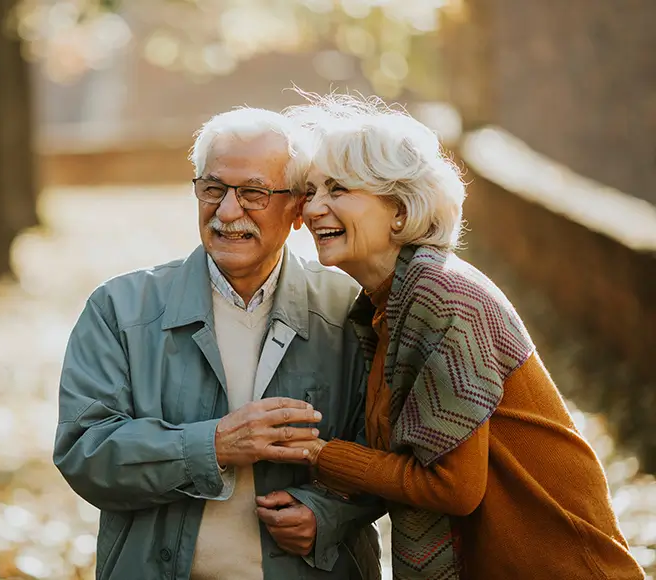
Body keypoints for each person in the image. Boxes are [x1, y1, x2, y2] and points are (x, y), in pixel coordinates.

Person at [277, 93, 646, 579]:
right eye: (311, 190)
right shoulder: (383, 311)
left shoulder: (442, 297)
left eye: (339, 189)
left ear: (401, 211)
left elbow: (451, 486)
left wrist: (320, 454)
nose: (314, 208)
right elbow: (396, 460)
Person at [53, 107, 382, 580]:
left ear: (296, 210)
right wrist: (213, 445)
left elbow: (387, 455)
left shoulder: (348, 310)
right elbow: (85, 451)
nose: (227, 212)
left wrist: (328, 515)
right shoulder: (120, 308)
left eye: (253, 193)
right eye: (213, 189)